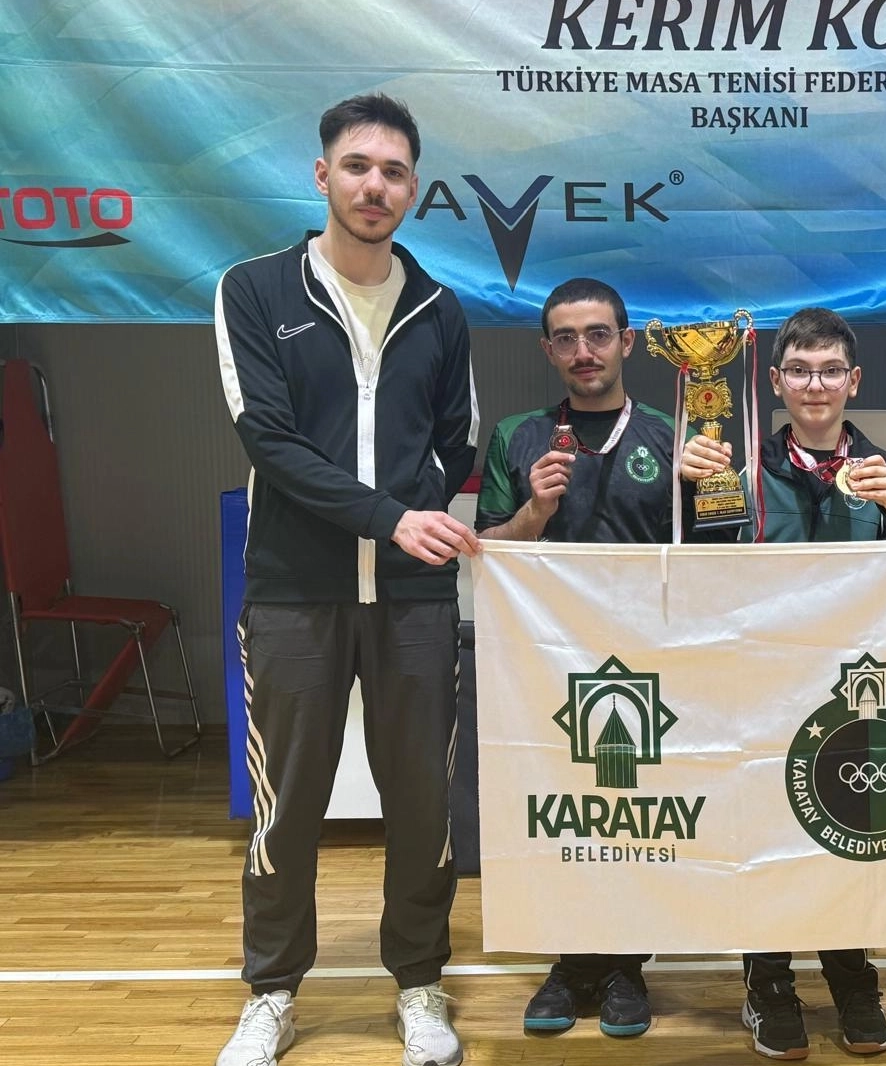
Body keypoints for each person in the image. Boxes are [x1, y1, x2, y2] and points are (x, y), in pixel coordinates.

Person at [213, 94, 479, 1066]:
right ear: (323, 175)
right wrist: (388, 517)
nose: (376, 186)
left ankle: (419, 984)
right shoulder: (254, 290)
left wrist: (417, 521)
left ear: (414, 189)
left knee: (421, 805)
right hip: (294, 591)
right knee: (290, 803)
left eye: (394, 171)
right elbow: (270, 441)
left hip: (413, 601)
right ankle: (273, 993)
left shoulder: (439, 309)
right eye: (358, 167)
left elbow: (458, 441)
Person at [679, 306, 886, 1060]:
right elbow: (698, 573)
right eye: (799, 370)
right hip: (760, 691)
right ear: (775, 381)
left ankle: (853, 977)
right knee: (762, 835)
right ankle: (766, 982)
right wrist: (690, 495)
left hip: (853, 696)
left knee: (846, 835)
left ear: (854, 381)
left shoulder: (883, 470)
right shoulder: (739, 468)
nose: (815, 385)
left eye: (830, 371)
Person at [475, 277, 675, 1037]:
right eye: (566, 337)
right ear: (547, 349)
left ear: (627, 342)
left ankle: (625, 964)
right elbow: (486, 551)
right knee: (563, 816)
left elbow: (714, 552)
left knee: (637, 817)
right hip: (547, 665)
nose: (583, 351)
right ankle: (570, 963)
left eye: (598, 334)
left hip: (651, 661)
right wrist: (536, 510)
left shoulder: (672, 433)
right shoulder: (518, 436)